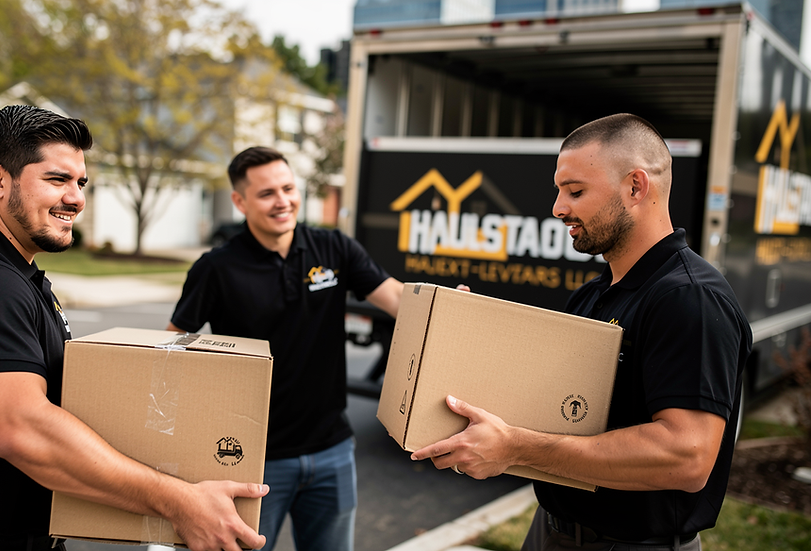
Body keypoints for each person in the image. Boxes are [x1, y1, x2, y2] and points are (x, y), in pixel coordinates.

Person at [0, 105, 267, 551]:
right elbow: (22, 430)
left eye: (81, 182)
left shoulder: (12, 272)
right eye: (57, 179)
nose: (76, 197)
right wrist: (180, 502)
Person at [411, 114, 752, 551]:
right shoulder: (593, 295)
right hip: (552, 530)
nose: (558, 207)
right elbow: (560, 412)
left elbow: (686, 456)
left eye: (575, 191)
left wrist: (516, 448)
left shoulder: (690, 299)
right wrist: (468, 336)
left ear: (635, 187)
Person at [167, 146, 404, 551]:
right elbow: (171, 349)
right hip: (251, 460)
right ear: (240, 201)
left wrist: (444, 308)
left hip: (332, 449)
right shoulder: (217, 268)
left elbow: (400, 301)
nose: (283, 201)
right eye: (267, 194)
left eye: (288, 188)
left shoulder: (334, 249)